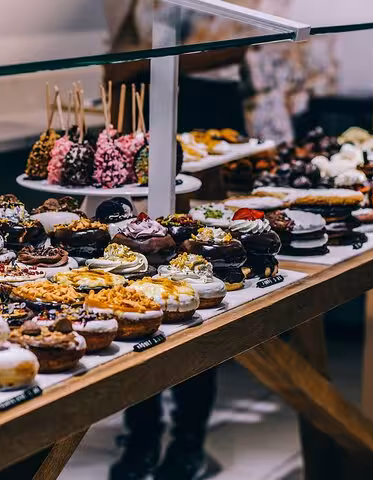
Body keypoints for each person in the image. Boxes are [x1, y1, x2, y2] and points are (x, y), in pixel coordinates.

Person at [103, 2, 248, 479]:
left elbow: (242, 38)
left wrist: (166, 58)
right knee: (136, 286)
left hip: (207, 104)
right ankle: (141, 433)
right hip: (140, 108)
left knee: (195, 290)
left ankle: (188, 436)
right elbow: (115, 59)